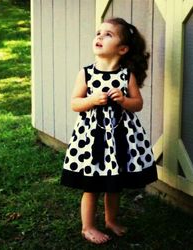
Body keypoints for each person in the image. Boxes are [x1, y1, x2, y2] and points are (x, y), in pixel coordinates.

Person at [60, 17, 158, 244]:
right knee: (92, 185)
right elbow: (75, 103)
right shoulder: (86, 74)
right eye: (98, 32)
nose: (100, 37)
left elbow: (138, 104)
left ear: (122, 49)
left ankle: (111, 220)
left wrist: (124, 100)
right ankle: (87, 226)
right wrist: (92, 99)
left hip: (119, 138)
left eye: (108, 34)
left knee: (114, 184)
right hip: (92, 140)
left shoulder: (126, 76)